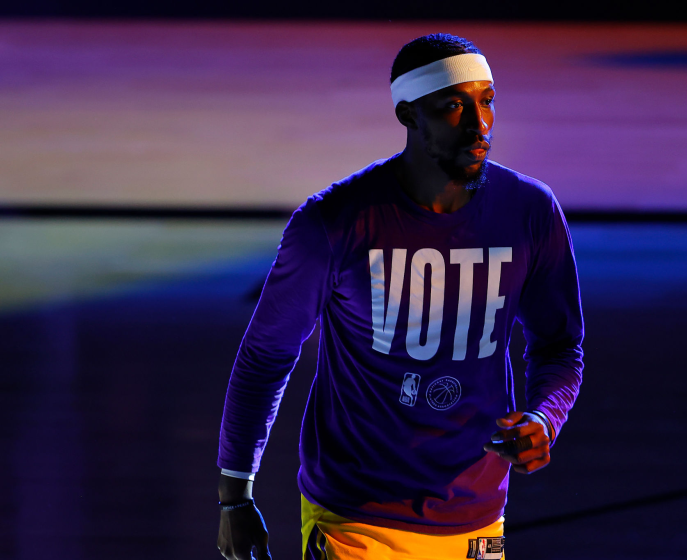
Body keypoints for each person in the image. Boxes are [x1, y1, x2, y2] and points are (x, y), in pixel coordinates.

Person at [215, 33, 584, 560]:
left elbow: (560, 344)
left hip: (477, 516)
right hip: (354, 517)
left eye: (487, 101)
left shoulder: (530, 211)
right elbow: (265, 357)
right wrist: (234, 496)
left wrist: (544, 417)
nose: (479, 125)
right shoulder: (333, 223)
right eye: (454, 106)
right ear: (409, 115)